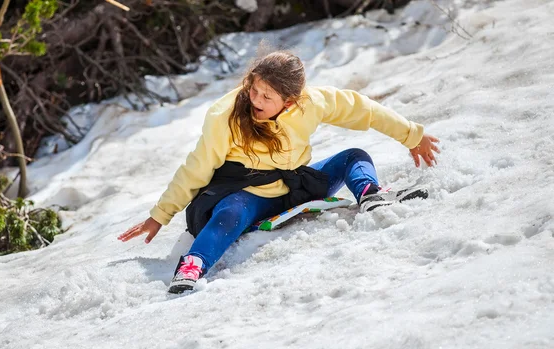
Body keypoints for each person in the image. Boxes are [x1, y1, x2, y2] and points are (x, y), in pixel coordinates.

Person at [118, 51, 440, 294]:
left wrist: (412, 135)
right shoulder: (225, 116)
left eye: (266, 96)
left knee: (354, 156)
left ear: (289, 102)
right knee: (230, 212)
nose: (255, 99)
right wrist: (160, 215)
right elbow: (195, 169)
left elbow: (364, 111)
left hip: (296, 183)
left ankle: (370, 195)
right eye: (253, 89)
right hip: (250, 195)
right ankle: (193, 264)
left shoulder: (312, 102)